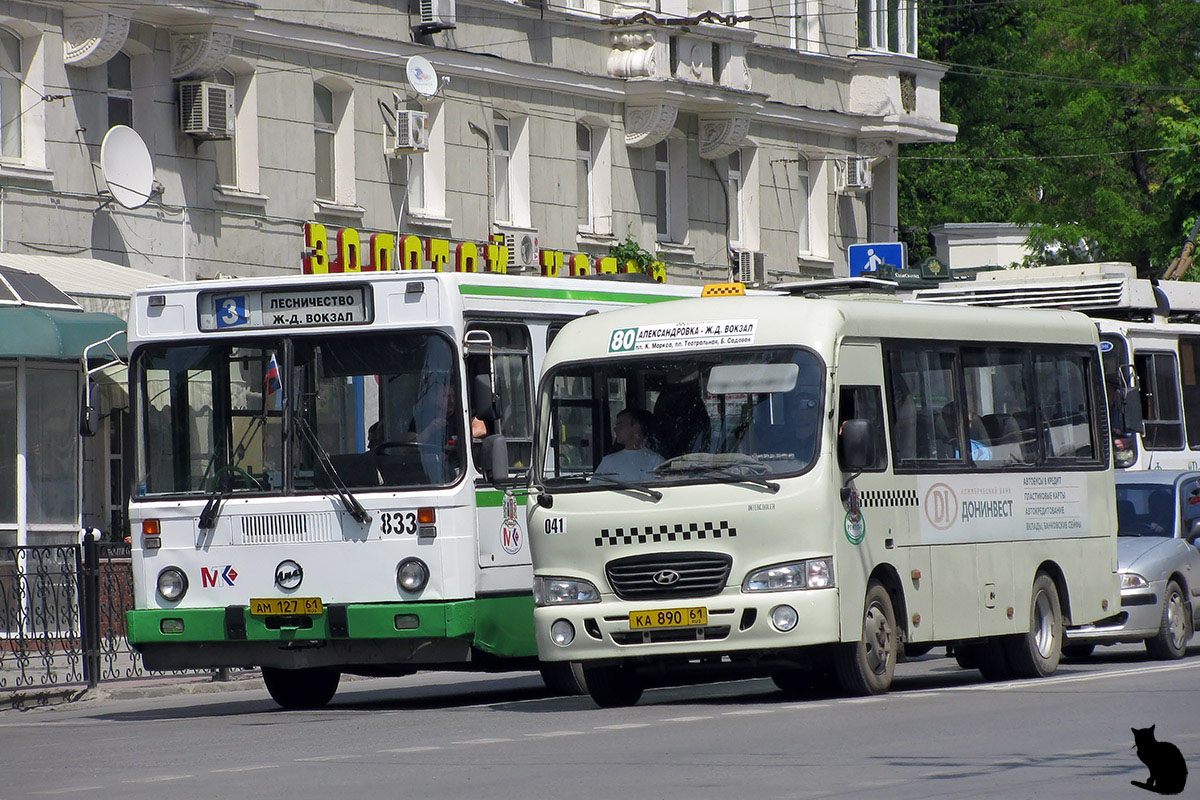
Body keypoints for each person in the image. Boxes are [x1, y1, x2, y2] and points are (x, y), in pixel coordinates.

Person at [595, 408, 663, 481]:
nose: (615, 429)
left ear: (636, 428)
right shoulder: (608, 461)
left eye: (620, 425)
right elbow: (594, 489)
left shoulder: (656, 462)